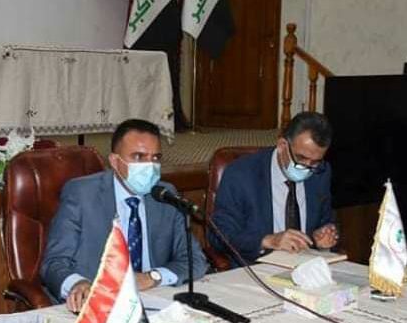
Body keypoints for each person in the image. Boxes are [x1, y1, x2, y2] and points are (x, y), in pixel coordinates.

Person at [40, 119, 208, 312]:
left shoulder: (165, 195)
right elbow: (54, 263)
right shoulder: (82, 194)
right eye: (138, 157)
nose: (149, 166)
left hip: (152, 299)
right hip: (96, 304)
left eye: (155, 158)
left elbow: (194, 260)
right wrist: (77, 284)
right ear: (114, 161)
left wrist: (153, 277)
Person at [211, 112, 338, 265]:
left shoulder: (320, 173)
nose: (307, 168)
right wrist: (268, 241)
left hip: (306, 266)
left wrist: (323, 237)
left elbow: (326, 220)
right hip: (256, 268)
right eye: (301, 159)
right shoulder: (241, 174)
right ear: (282, 146)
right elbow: (219, 235)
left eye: (315, 162)